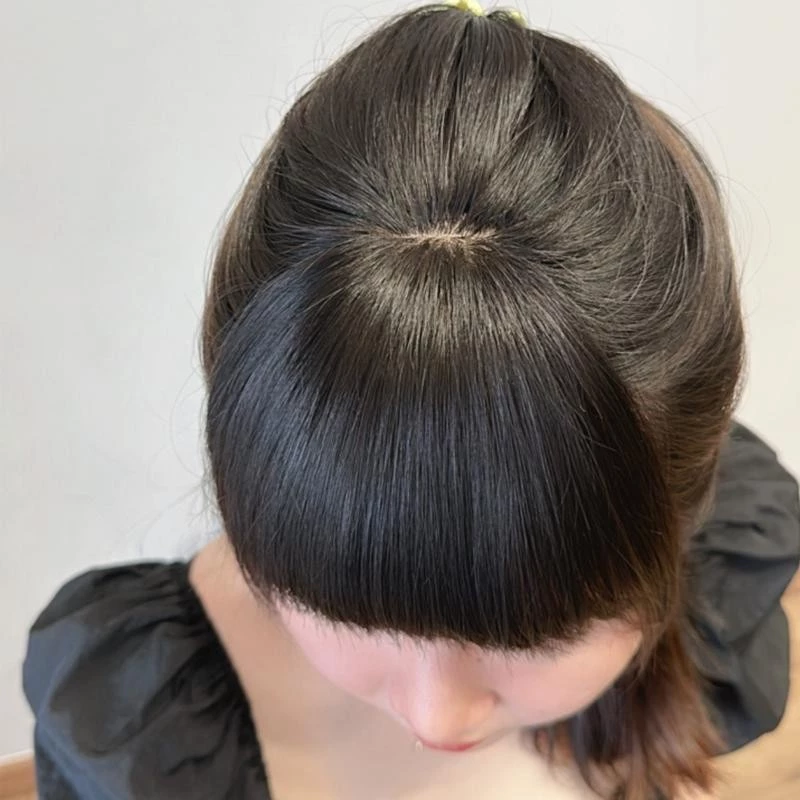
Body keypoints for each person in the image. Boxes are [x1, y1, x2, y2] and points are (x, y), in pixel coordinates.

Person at [22, 2, 800, 798]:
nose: (439, 716)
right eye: (352, 616)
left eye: (540, 636)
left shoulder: (716, 567)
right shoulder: (139, 725)